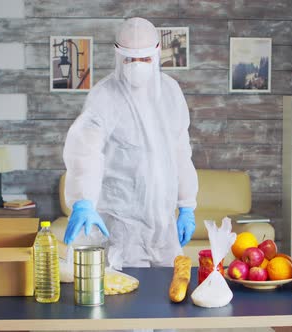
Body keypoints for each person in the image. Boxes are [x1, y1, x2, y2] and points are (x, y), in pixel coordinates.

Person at [62, 17, 198, 270]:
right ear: (117, 55)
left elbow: (180, 151)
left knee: (169, 297)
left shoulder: (170, 92)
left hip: (163, 225)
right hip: (121, 224)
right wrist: (83, 201)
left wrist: (187, 205)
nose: (137, 66)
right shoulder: (104, 95)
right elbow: (86, 150)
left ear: (157, 53)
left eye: (144, 59)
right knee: (127, 300)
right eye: (129, 59)